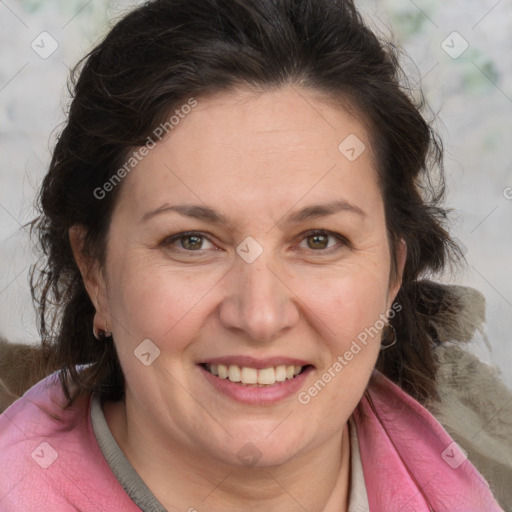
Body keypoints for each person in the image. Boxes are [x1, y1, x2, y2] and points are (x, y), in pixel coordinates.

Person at [0, 0, 510, 510]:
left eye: (319, 239)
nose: (260, 316)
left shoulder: (486, 468)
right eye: (191, 241)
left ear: (394, 274)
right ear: (95, 273)